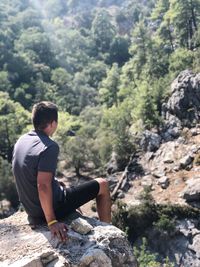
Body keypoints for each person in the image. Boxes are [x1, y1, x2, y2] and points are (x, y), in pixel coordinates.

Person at [12, 101, 111, 242]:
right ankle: (107, 230)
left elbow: (25, 174)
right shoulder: (49, 146)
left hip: (31, 210)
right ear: (53, 123)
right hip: (48, 210)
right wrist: (52, 222)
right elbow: (43, 186)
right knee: (103, 184)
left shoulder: (21, 141)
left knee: (59, 183)